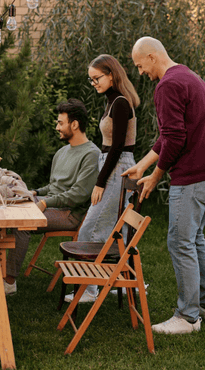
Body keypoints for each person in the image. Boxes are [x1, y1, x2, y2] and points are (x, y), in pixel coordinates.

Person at [123, 36, 205, 334]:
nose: (141, 72)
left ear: (153, 56)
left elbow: (176, 138)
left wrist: (156, 176)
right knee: (194, 237)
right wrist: (143, 164)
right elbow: (172, 133)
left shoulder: (167, 85)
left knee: (180, 242)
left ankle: (187, 317)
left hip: (194, 174)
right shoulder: (188, 75)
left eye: (141, 65)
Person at [0, 99, 100, 296]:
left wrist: (44, 202)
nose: (57, 127)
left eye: (60, 122)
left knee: (21, 224)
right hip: (51, 205)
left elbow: (79, 195)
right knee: (0, 208)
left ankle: (8, 282)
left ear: (74, 124)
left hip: (69, 214)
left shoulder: (92, 155)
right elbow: (54, 186)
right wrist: (33, 193)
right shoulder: (62, 152)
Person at [65, 54, 140, 304]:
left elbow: (117, 146)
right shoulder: (112, 101)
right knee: (110, 227)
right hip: (112, 164)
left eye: (96, 78)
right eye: (91, 80)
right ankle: (124, 281)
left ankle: (89, 289)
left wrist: (100, 182)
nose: (94, 83)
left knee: (91, 226)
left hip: (117, 167)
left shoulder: (120, 103)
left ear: (111, 74)